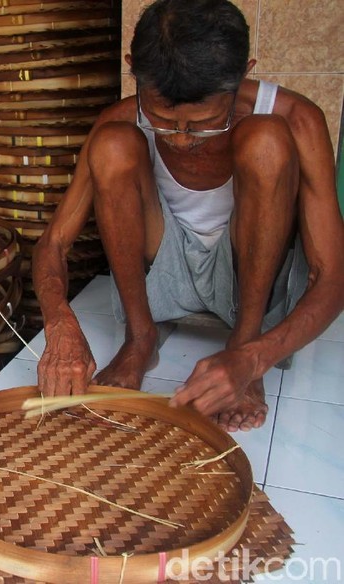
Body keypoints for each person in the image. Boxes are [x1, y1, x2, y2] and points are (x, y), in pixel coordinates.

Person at [32, 0, 344, 432]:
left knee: (267, 140)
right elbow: (54, 243)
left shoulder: (299, 117)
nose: (179, 139)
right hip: (163, 264)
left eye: (203, 124)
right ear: (132, 69)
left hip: (249, 270)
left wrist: (255, 358)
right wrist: (60, 323)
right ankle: (140, 338)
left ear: (244, 73)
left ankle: (244, 340)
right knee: (112, 143)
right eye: (162, 121)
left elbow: (332, 274)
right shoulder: (121, 117)